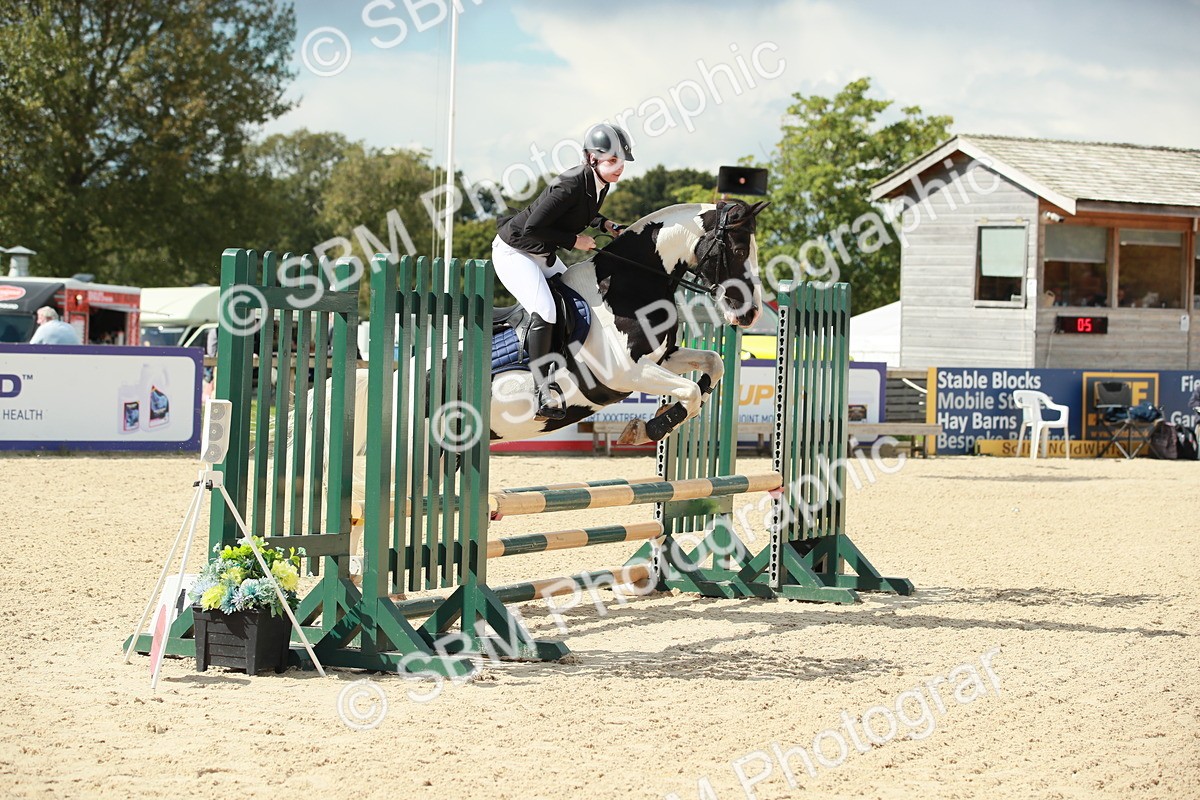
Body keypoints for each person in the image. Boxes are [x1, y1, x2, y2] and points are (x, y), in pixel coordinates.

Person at [493, 123, 634, 420]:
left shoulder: (600, 182)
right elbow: (534, 227)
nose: (618, 167)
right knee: (546, 309)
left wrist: (605, 224)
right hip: (515, 252)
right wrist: (575, 241)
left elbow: (583, 211)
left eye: (621, 161)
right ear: (591, 158)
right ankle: (542, 389)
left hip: (541, 252)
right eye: (611, 161)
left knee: (576, 296)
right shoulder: (569, 183)